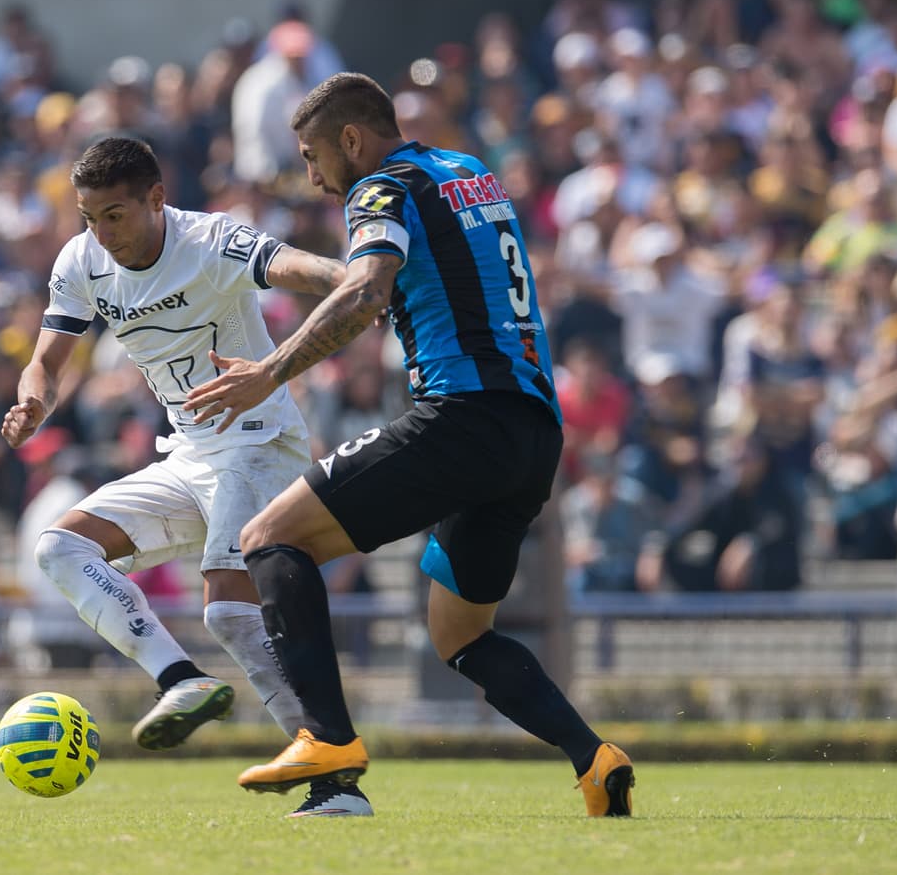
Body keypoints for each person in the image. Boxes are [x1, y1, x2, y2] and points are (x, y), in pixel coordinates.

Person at [184, 73, 635, 816]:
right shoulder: (468, 169)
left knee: (267, 538)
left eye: (313, 157)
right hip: (533, 433)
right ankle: (595, 759)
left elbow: (366, 289)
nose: (313, 178)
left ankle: (329, 741)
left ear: (351, 139)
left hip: (462, 416)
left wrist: (270, 372)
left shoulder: (380, 187)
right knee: (461, 635)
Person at [0, 137, 370, 817]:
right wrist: (33, 402)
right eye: (89, 217)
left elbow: (305, 269)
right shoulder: (81, 260)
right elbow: (46, 363)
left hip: (259, 443)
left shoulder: (212, 241)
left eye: (115, 215)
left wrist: (361, 278)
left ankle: (337, 780)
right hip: (189, 454)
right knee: (61, 548)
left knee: (228, 612)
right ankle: (180, 679)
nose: (102, 233)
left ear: (156, 198)